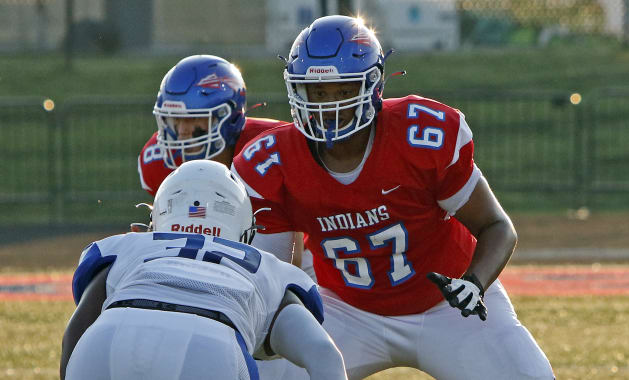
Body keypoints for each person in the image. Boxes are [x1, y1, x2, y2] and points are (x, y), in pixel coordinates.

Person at [231, 15, 555, 379]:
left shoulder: (420, 135)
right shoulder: (272, 163)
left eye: (343, 91)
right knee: (257, 372)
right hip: (342, 310)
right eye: (318, 92)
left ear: (373, 86)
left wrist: (474, 284)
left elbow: (497, 226)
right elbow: (270, 276)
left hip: (447, 304)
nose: (329, 106)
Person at [60, 160, 347, 380]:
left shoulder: (129, 246)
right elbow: (324, 354)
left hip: (107, 339)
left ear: (157, 218)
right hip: (212, 346)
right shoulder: (266, 268)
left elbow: (77, 328)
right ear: (246, 230)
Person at [138, 54, 287, 197]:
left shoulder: (271, 147)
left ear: (228, 117)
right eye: (175, 119)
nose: (182, 131)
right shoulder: (157, 161)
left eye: (193, 119)